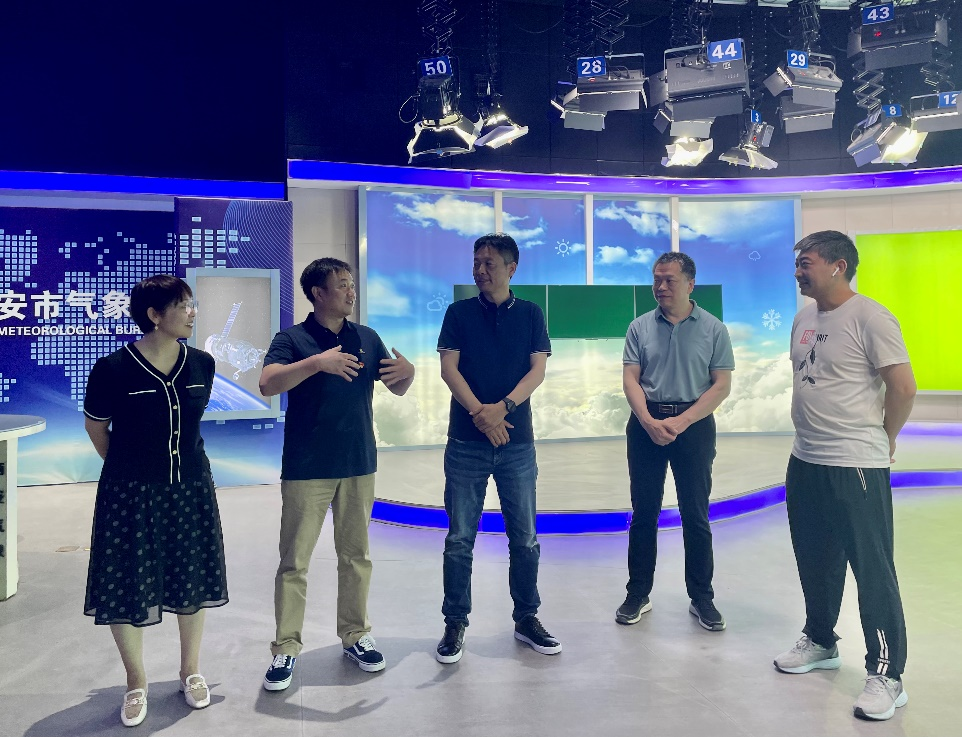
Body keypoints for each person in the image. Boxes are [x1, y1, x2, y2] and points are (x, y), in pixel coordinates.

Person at [774, 231, 916, 722]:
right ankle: (820, 640)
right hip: (805, 458)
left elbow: (903, 387)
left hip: (855, 461)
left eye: (806, 262)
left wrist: (885, 438)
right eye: (798, 262)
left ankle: (887, 673)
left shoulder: (871, 317)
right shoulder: (804, 318)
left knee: (872, 570)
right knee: (815, 559)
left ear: (838, 266)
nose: (797, 271)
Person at [260, 257, 414, 691]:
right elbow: (268, 383)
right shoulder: (292, 339)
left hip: (358, 462)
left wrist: (408, 375)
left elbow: (396, 386)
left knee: (356, 556)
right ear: (318, 293)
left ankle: (356, 635)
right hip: (307, 467)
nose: (351, 292)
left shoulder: (366, 337)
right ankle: (286, 647)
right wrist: (317, 363)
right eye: (342, 285)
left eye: (351, 284)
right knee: (294, 561)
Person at [83, 275, 227, 727]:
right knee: (125, 584)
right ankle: (136, 681)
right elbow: (96, 429)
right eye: (183, 305)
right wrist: (130, 469)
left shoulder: (202, 364)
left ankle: (190, 670)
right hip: (130, 493)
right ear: (154, 315)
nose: (192, 312)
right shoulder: (112, 369)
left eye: (192, 304)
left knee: (192, 577)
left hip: (191, 487)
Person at [434, 232, 559, 664]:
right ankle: (455, 622)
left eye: (489, 262)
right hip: (465, 442)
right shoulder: (458, 313)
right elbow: (449, 369)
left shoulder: (531, 313)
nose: (480, 270)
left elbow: (537, 370)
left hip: (516, 443)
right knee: (459, 539)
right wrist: (481, 414)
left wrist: (502, 408)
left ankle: (527, 618)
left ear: (511, 268)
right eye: (476, 262)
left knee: (524, 538)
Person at [618, 252, 734, 631]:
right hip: (645, 424)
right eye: (657, 279)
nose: (661, 286)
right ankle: (638, 593)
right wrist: (648, 421)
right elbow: (631, 378)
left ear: (690, 284)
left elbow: (721, 385)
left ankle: (702, 597)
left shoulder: (714, 329)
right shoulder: (639, 327)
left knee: (695, 513)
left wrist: (682, 421)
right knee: (644, 512)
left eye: (669, 280)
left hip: (694, 425)